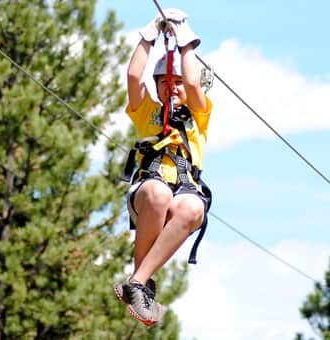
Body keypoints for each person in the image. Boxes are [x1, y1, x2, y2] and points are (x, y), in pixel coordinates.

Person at [113, 8, 213, 326]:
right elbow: (133, 76)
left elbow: (194, 84)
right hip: (150, 187)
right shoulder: (146, 112)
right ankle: (140, 284)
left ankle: (139, 283)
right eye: (165, 82)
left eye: (178, 83)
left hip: (183, 186)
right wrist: (149, 35)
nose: (172, 88)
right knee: (157, 194)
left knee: (193, 208)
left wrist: (186, 45)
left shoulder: (198, 113)